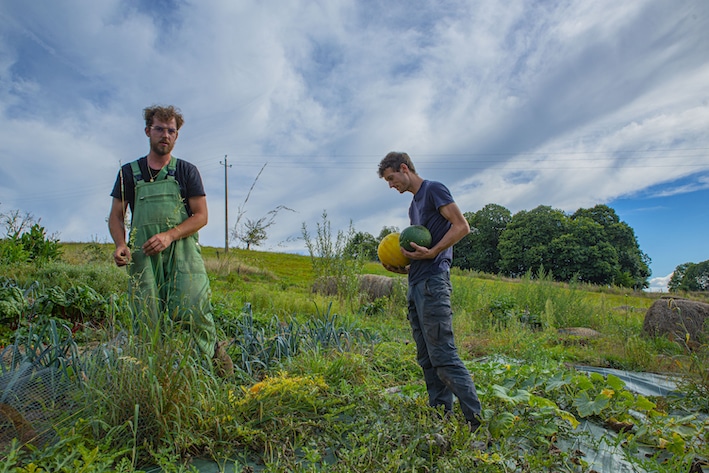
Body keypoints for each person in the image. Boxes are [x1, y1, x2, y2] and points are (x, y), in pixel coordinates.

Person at [108, 105, 231, 375]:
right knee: (146, 318)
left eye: (171, 130)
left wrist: (169, 235)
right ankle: (152, 379)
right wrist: (120, 245)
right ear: (147, 131)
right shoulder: (128, 173)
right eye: (159, 129)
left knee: (194, 311)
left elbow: (201, 216)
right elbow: (116, 216)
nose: (165, 134)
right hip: (144, 257)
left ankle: (218, 374)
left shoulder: (186, 171)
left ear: (177, 135)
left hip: (183, 254)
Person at [378, 151, 482, 432]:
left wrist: (434, 252)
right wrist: (403, 268)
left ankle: (477, 422)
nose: (391, 185)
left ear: (404, 168)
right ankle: (441, 416)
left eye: (391, 178)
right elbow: (420, 251)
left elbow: (462, 227)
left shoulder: (434, 189)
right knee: (426, 357)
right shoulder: (414, 206)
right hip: (417, 283)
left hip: (434, 283)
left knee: (443, 356)